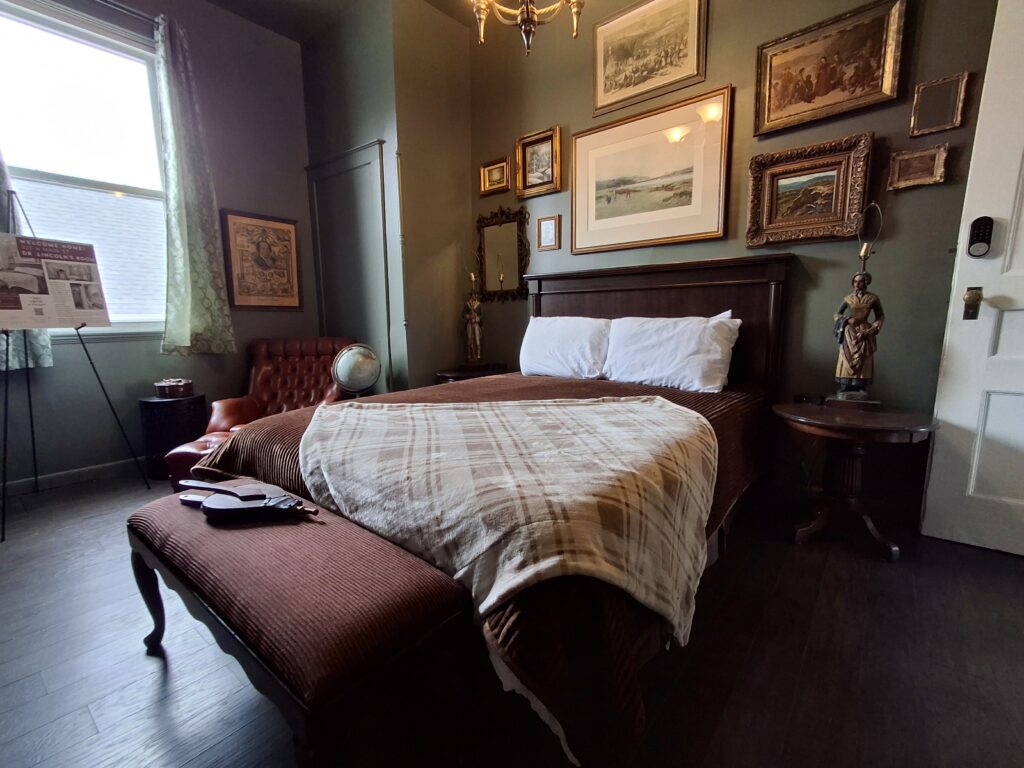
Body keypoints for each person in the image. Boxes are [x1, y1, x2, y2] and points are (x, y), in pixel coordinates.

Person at [833, 272, 884, 394]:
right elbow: (837, 314)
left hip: (864, 330)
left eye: (860, 281)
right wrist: (847, 319)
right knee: (847, 356)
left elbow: (880, 316)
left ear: (866, 282)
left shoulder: (873, 298)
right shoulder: (848, 298)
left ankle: (860, 385)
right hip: (849, 331)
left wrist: (870, 330)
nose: (857, 284)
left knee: (863, 357)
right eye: (855, 281)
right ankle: (845, 384)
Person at [463, 292, 482, 363]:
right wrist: (468, 316)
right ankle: (469, 355)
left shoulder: (479, 304)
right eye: (474, 295)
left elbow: (482, 314)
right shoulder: (467, 304)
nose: (475, 296)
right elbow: (463, 313)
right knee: (469, 340)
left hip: (476, 323)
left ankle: (478, 355)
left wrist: (477, 318)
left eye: (476, 295)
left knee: (477, 339)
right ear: (471, 295)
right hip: (470, 323)